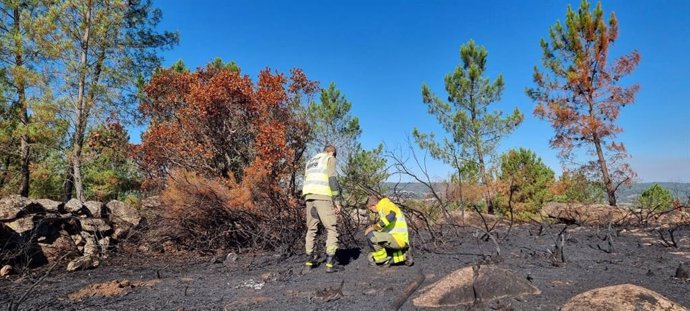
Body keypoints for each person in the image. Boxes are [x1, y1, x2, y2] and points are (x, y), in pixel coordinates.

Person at [302, 145, 343, 273]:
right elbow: (332, 178)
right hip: (322, 197)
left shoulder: (311, 161)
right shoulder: (329, 158)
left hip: (309, 198)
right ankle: (330, 264)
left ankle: (309, 262)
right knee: (331, 228)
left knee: (311, 228)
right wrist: (337, 200)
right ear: (332, 152)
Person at [365, 195, 413, 266]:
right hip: (399, 239)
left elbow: (391, 215)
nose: (372, 212)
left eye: (370, 209)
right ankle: (404, 256)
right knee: (377, 238)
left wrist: (374, 227)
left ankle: (383, 261)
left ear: (373, 206)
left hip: (398, 239)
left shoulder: (386, 205)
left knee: (371, 236)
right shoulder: (384, 207)